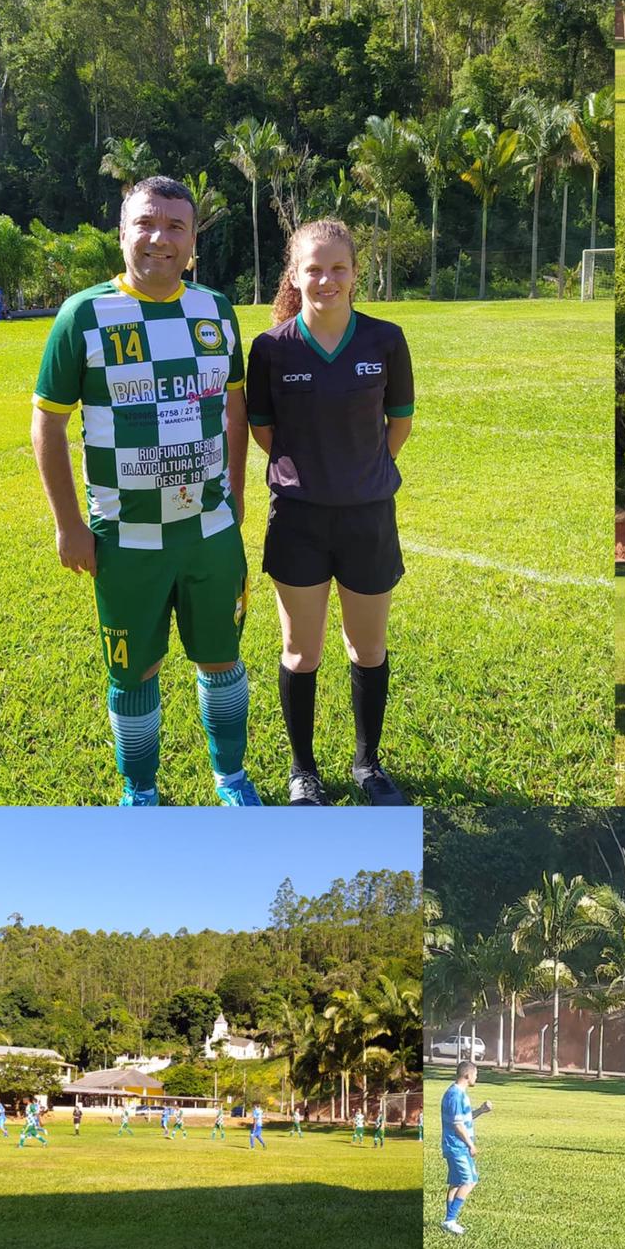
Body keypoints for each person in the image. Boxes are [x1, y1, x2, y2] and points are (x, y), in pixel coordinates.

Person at [31, 176, 259, 807]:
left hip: (210, 531)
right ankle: (143, 792)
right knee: (135, 670)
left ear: (192, 242)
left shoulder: (216, 309)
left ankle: (231, 778)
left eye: (176, 227)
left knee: (221, 658)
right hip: (125, 538)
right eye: (146, 223)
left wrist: (235, 491)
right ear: (123, 231)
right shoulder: (84, 314)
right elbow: (47, 420)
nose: (160, 238)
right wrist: (68, 525)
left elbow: (233, 407)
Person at [244, 217, 414, 807]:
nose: (326, 279)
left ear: (355, 274)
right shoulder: (270, 349)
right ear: (295, 274)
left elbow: (400, 424)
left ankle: (368, 765)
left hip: (368, 518)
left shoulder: (385, 340)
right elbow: (264, 431)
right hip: (299, 521)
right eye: (313, 268)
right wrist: (312, 475)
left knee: (368, 648)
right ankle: (303, 772)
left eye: (338, 267)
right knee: (301, 650)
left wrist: (361, 473)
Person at [440, 1060, 492, 1237]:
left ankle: (449, 1220)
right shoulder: (455, 1095)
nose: (477, 1077)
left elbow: (464, 1118)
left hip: (455, 1146)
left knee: (456, 1183)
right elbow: (457, 1125)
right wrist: (471, 1144)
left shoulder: (459, 1093)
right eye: (476, 1074)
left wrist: (481, 1110)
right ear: (467, 1075)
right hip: (457, 1146)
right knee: (470, 1181)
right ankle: (450, 1220)